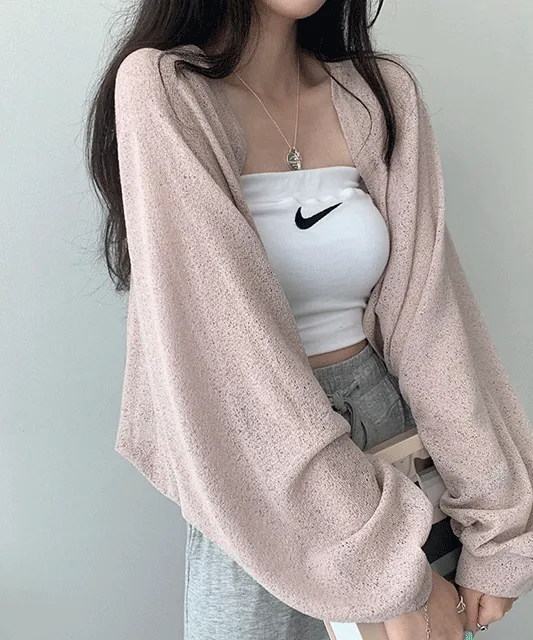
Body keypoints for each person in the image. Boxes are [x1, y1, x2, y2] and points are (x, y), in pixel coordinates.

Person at [85, 1, 532, 639]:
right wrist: (384, 569)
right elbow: (228, 351)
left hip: (392, 449)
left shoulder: (379, 94)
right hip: (254, 455)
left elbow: (433, 326)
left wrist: (499, 525)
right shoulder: (164, 89)